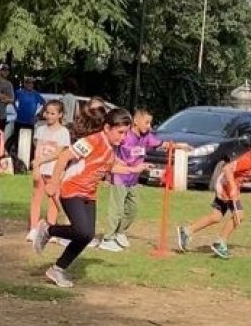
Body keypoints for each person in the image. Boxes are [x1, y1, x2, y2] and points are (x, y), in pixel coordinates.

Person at [33, 108, 151, 288]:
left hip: (89, 195)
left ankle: (57, 268)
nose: (123, 137)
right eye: (120, 132)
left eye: (125, 133)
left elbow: (109, 167)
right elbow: (64, 156)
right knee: (82, 231)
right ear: (106, 128)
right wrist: (54, 183)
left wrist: (133, 169)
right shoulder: (93, 141)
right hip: (71, 190)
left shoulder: (113, 148)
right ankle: (48, 230)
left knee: (86, 235)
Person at [177, 133, 251, 259]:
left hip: (228, 185)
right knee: (239, 215)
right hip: (226, 185)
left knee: (216, 217)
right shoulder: (248, 161)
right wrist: (232, 187)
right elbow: (227, 168)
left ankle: (187, 231)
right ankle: (220, 243)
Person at [99, 109, 191, 252]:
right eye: (147, 122)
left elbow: (162, 144)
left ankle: (120, 232)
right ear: (136, 121)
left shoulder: (147, 136)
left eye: (150, 123)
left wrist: (180, 146)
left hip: (134, 179)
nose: (149, 126)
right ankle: (108, 238)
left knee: (133, 209)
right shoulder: (125, 135)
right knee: (116, 209)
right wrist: (115, 164)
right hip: (120, 177)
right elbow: (110, 149)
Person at [27, 100, 70, 242]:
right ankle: (33, 228)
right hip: (41, 170)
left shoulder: (64, 132)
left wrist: (41, 161)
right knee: (36, 198)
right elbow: (37, 149)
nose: (49, 116)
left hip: (55, 171)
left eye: (53, 113)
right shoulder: (40, 130)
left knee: (53, 199)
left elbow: (59, 152)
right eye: (47, 113)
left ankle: (51, 229)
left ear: (60, 115)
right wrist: (36, 167)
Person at [13, 77, 45, 160]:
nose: (30, 84)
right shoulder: (19, 92)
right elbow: (13, 101)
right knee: (17, 142)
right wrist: (16, 109)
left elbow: (44, 104)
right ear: (25, 84)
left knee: (30, 143)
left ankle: (29, 161)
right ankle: (17, 161)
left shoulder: (36, 94)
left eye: (32, 83)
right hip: (19, 121)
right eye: (28, 83)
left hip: (30, 122)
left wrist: (38, 116)